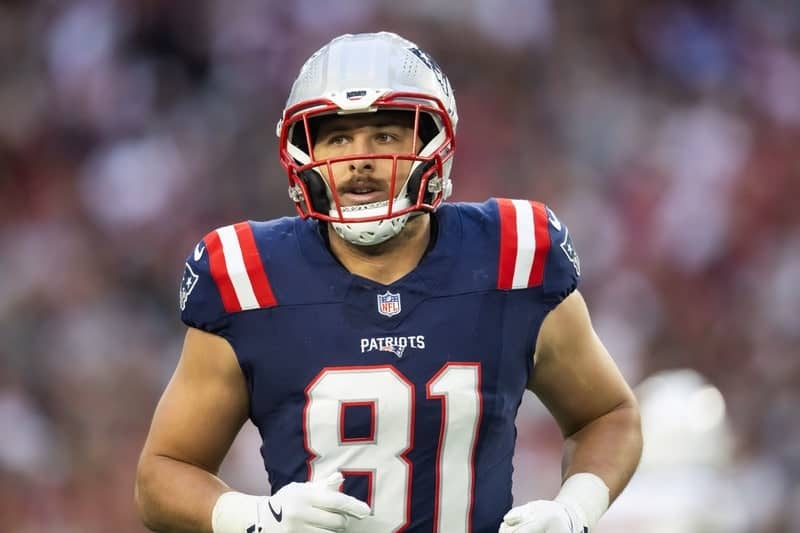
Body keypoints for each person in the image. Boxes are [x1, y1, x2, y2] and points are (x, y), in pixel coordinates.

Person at [135, 31, 642, 533]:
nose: (360, 159)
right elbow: (163, 473)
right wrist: (255, 518)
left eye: (385, 135)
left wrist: (574, 510)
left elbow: (608, 415)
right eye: (337, 138)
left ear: (433, 144)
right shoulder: (247, 276)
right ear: (304, 153)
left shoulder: (515, 256)